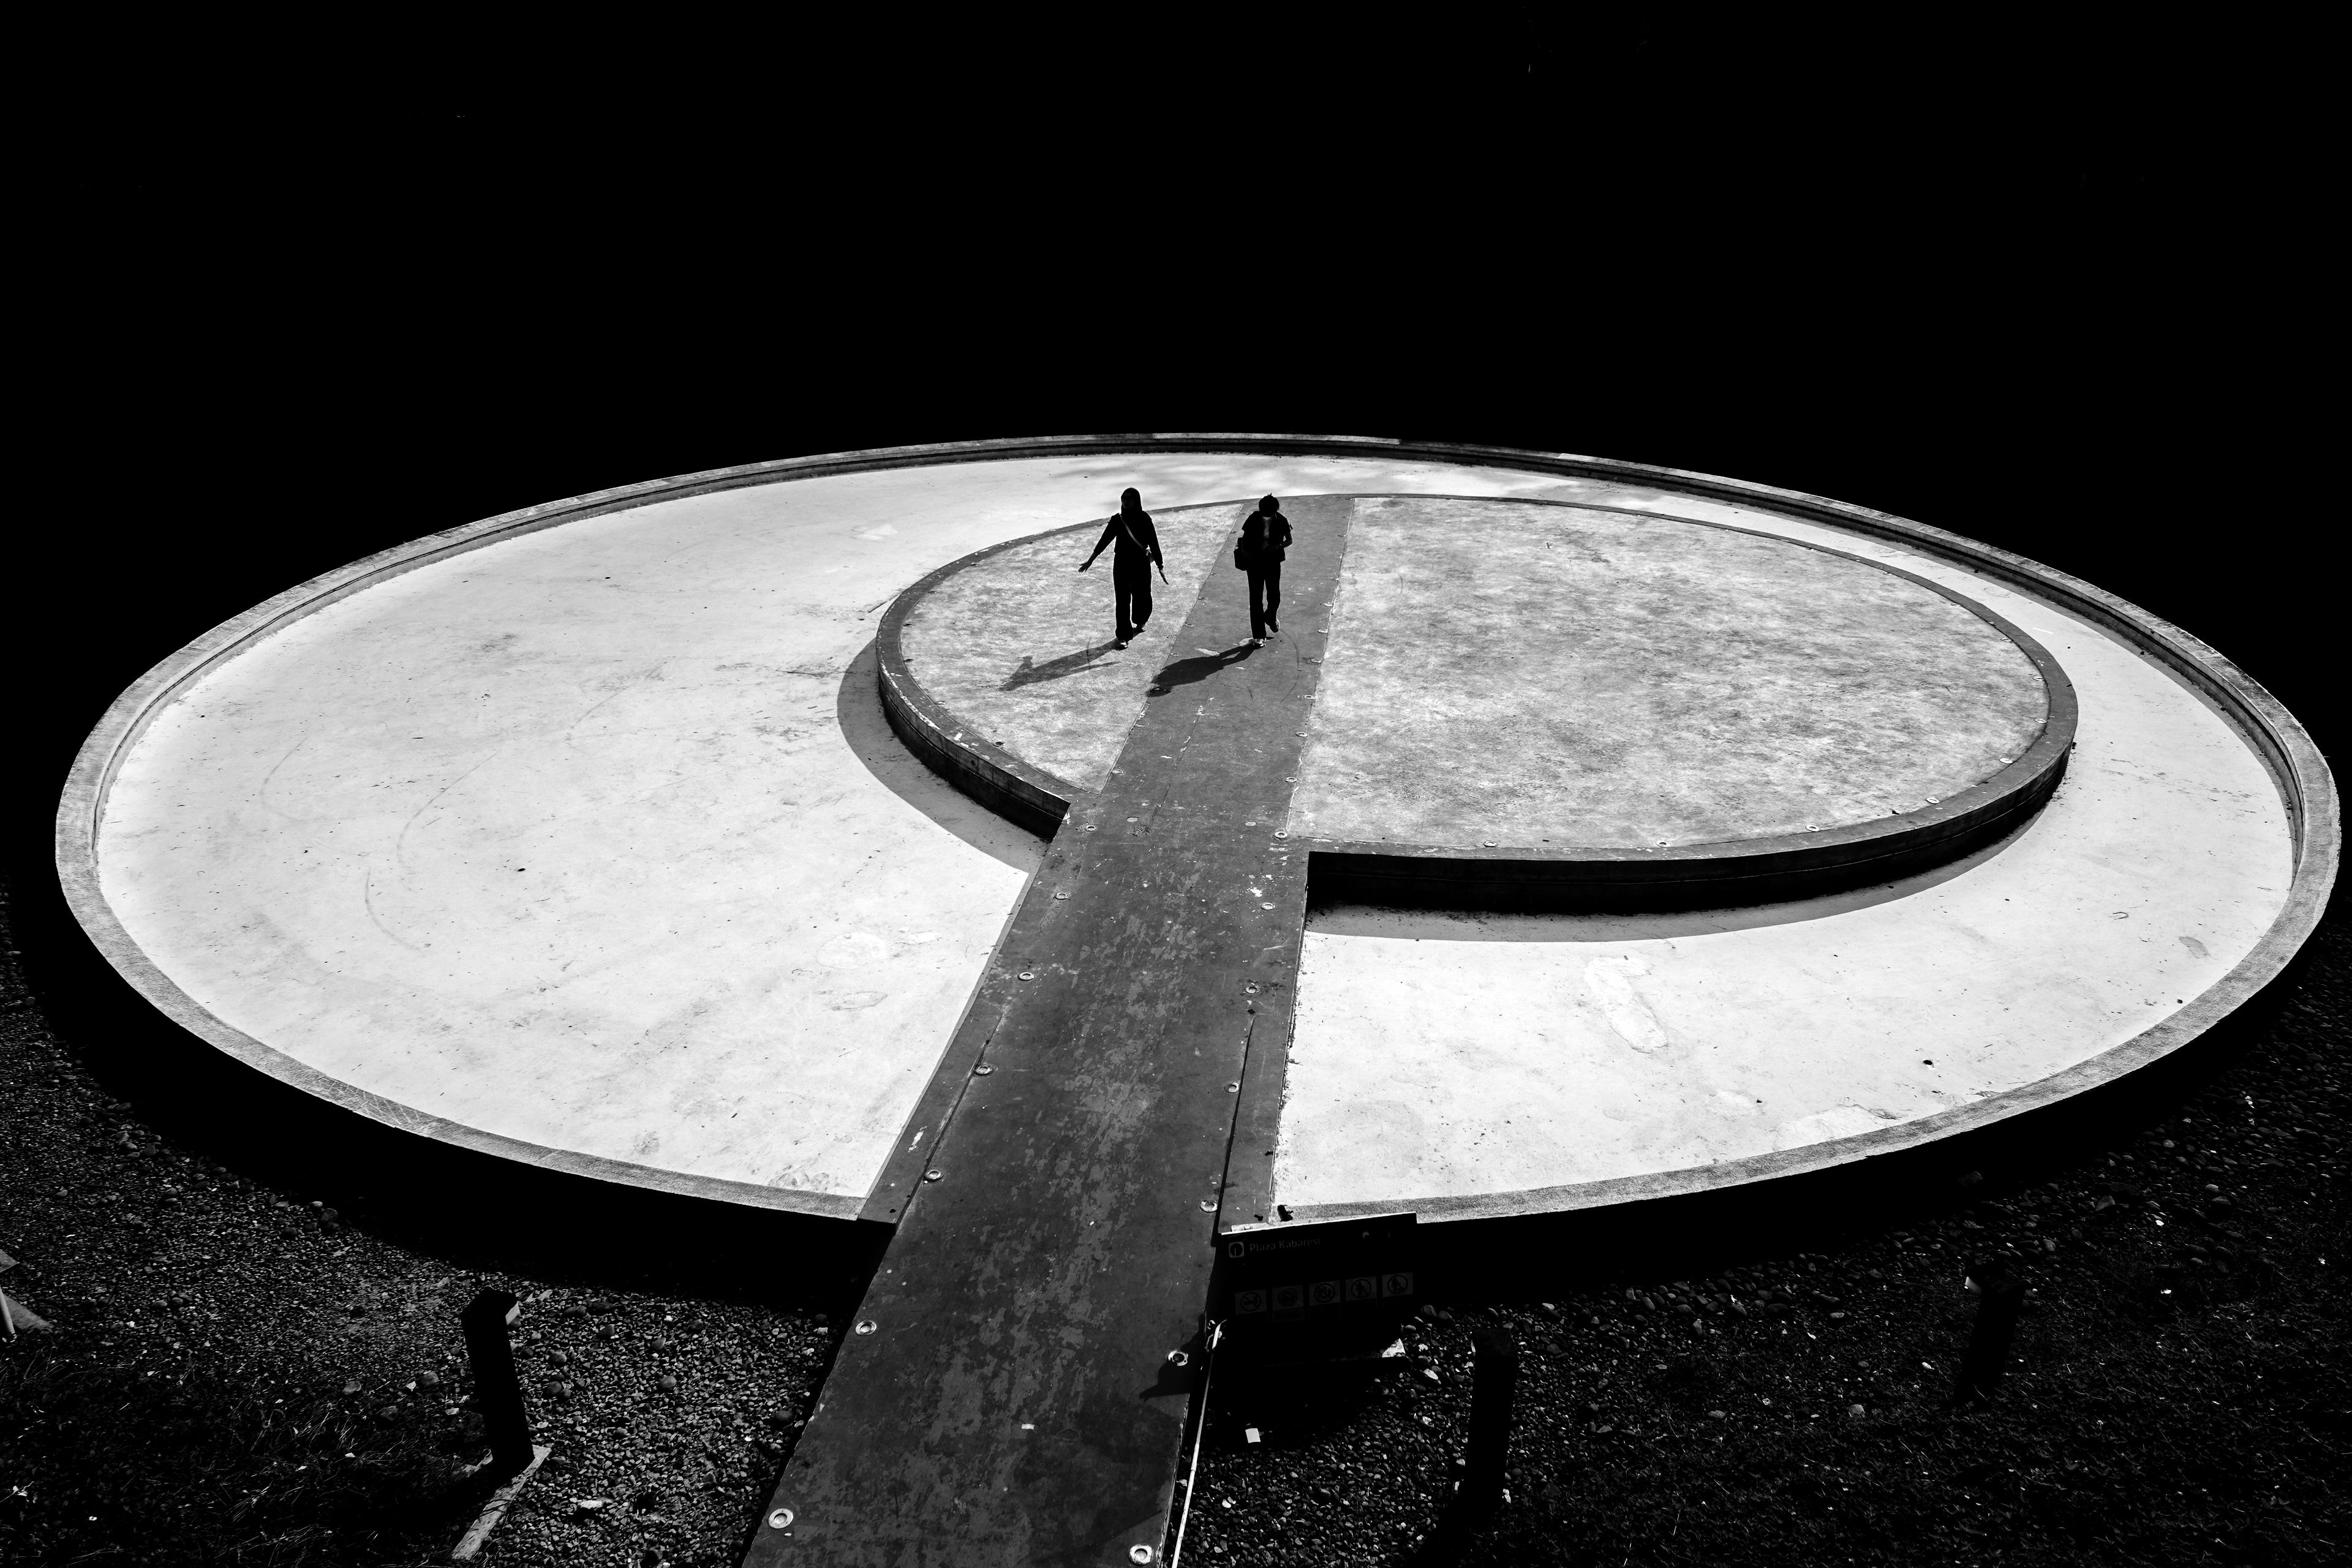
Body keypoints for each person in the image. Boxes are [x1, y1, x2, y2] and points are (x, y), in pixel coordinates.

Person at [1077, 488, 1167, 647]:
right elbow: (1104, 541)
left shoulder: (1145, 519)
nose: (1126, 502)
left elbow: (1154, 542)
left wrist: (1160, 564)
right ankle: (1124, 636)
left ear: (1136, 501)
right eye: (1124, 498)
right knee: (1122, 599)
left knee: (1143, 595)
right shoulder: (1117, 520)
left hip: (1141, 563)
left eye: (1129, 499)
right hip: (1122, 564)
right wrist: (1091, 560)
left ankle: (1140, 621)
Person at [1234, 494, 1291, 644]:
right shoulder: (1254, 518)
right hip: (1255, 563)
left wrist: (1278, 547)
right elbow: (1244, 540)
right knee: (1256, 598)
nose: (1266, 515)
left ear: (1275, 510)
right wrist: (1247, 556)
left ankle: (1270, 616)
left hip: (1273, 562)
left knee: (1275, 596)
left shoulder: (1282, 520)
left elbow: (1289, 540)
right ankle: (1259, 636)